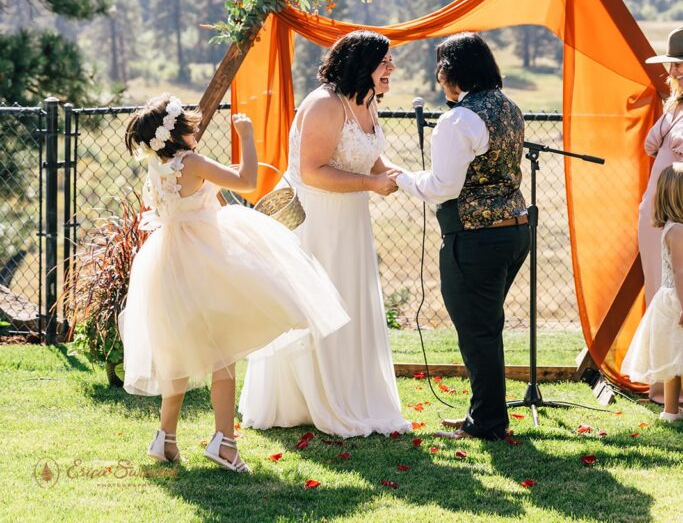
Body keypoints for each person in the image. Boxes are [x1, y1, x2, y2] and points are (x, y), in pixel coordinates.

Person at [120, 93, 349, 472]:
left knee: (177, 353)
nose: (197, 128)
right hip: (204, 263)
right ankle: (224, 442)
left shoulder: (158, 169)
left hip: (168, 264)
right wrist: (246, 134)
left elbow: (197, 200)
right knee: (222, 355)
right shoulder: (192, 162)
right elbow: (247, 180)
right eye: (191, 124)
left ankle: (165, 438)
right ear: (179, 133)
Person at [239, 30, 411, 437]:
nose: (391, 68)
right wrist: (371, 185)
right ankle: (306, 399)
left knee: (350, 300)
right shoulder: (324, 104)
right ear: (360, 64)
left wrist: (396, 175)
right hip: (318, 222)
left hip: (351, 222)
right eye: (384, 61)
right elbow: (313, 171)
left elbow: (367, 157)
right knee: (319, 304)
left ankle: (353, 392)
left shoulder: (365, 103)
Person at [395, 32, 530, 441]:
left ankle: (487, 423)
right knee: (484, 326)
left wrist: (400, 179)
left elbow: (442, 186)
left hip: (475, 238)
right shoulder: (509, 107)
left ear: (449, 73)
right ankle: (483, 414)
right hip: (515, 230)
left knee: (477, 330)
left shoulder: (458, 120)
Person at [639, 25, 683, 402]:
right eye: (675, 65)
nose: (678, 71)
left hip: (678, 216)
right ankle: (664, 384)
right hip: (655, 214)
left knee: (677, 298)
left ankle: (674, 390)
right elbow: (652, 146)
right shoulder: (673, 107)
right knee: (661, 298)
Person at [623, 163, 683, 421]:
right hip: (677, 300)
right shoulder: (678, 231)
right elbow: (681, 272)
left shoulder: (672, 227)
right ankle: (670, 409)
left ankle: (671, 411)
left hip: (670, 299)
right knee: (676, 357)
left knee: (674, 358)